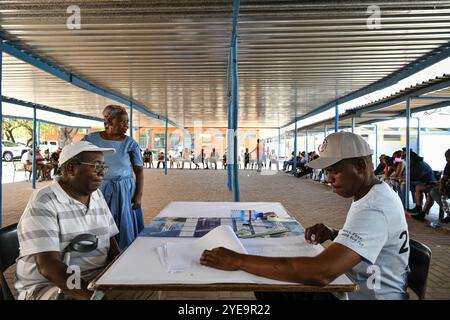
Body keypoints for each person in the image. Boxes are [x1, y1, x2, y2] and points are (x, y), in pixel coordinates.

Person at [201, 132, 410, 300]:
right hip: (360, 286)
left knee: (272, 283)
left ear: (360, 166)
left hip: (370, 295)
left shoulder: (374, 208)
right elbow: (372, 241)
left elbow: (322, 272)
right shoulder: (375, 194)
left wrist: (239, 260)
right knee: (274, 276)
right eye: (327, 172)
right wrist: (335, 234)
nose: (329, 179)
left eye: (334, 171)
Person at [14, 141, 156, 300]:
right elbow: (48, 267)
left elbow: (109, 241)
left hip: (95, 277)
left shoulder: (96, 195)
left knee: (150, 287)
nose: (102, 173)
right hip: (51, 286)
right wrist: (93, 296)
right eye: (96, 166)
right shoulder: (44, 201)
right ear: (71, 168)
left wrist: (120, 272)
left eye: (103, 167)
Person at [83, 104, 145, 250]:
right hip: (99, 188)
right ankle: (101, 253)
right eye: (123, 122)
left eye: (127, 122)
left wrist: (138, 196)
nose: (126, 126)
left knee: (123, 224)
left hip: (124, 191)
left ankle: (122, 252)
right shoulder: (90, 139)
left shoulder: (130, 143)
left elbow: (139, 171)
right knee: (100, 222)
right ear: (109, 122)